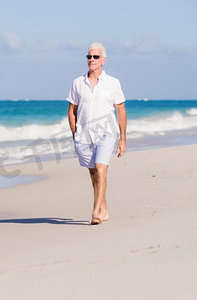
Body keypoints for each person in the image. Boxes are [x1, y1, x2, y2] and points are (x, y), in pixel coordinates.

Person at [67, 42, 127, 225]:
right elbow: (72, 110)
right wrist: (74, 133)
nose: (91, 60)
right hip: (84, 135)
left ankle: (95, 211)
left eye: (95, 57)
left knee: (101, 169)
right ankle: (104, 209)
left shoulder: (113, 83)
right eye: (89, 57)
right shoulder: (78, 83)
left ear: (103, 60)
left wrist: (123, 138)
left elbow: (121, 110)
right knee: (93, 173)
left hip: (106, 133)